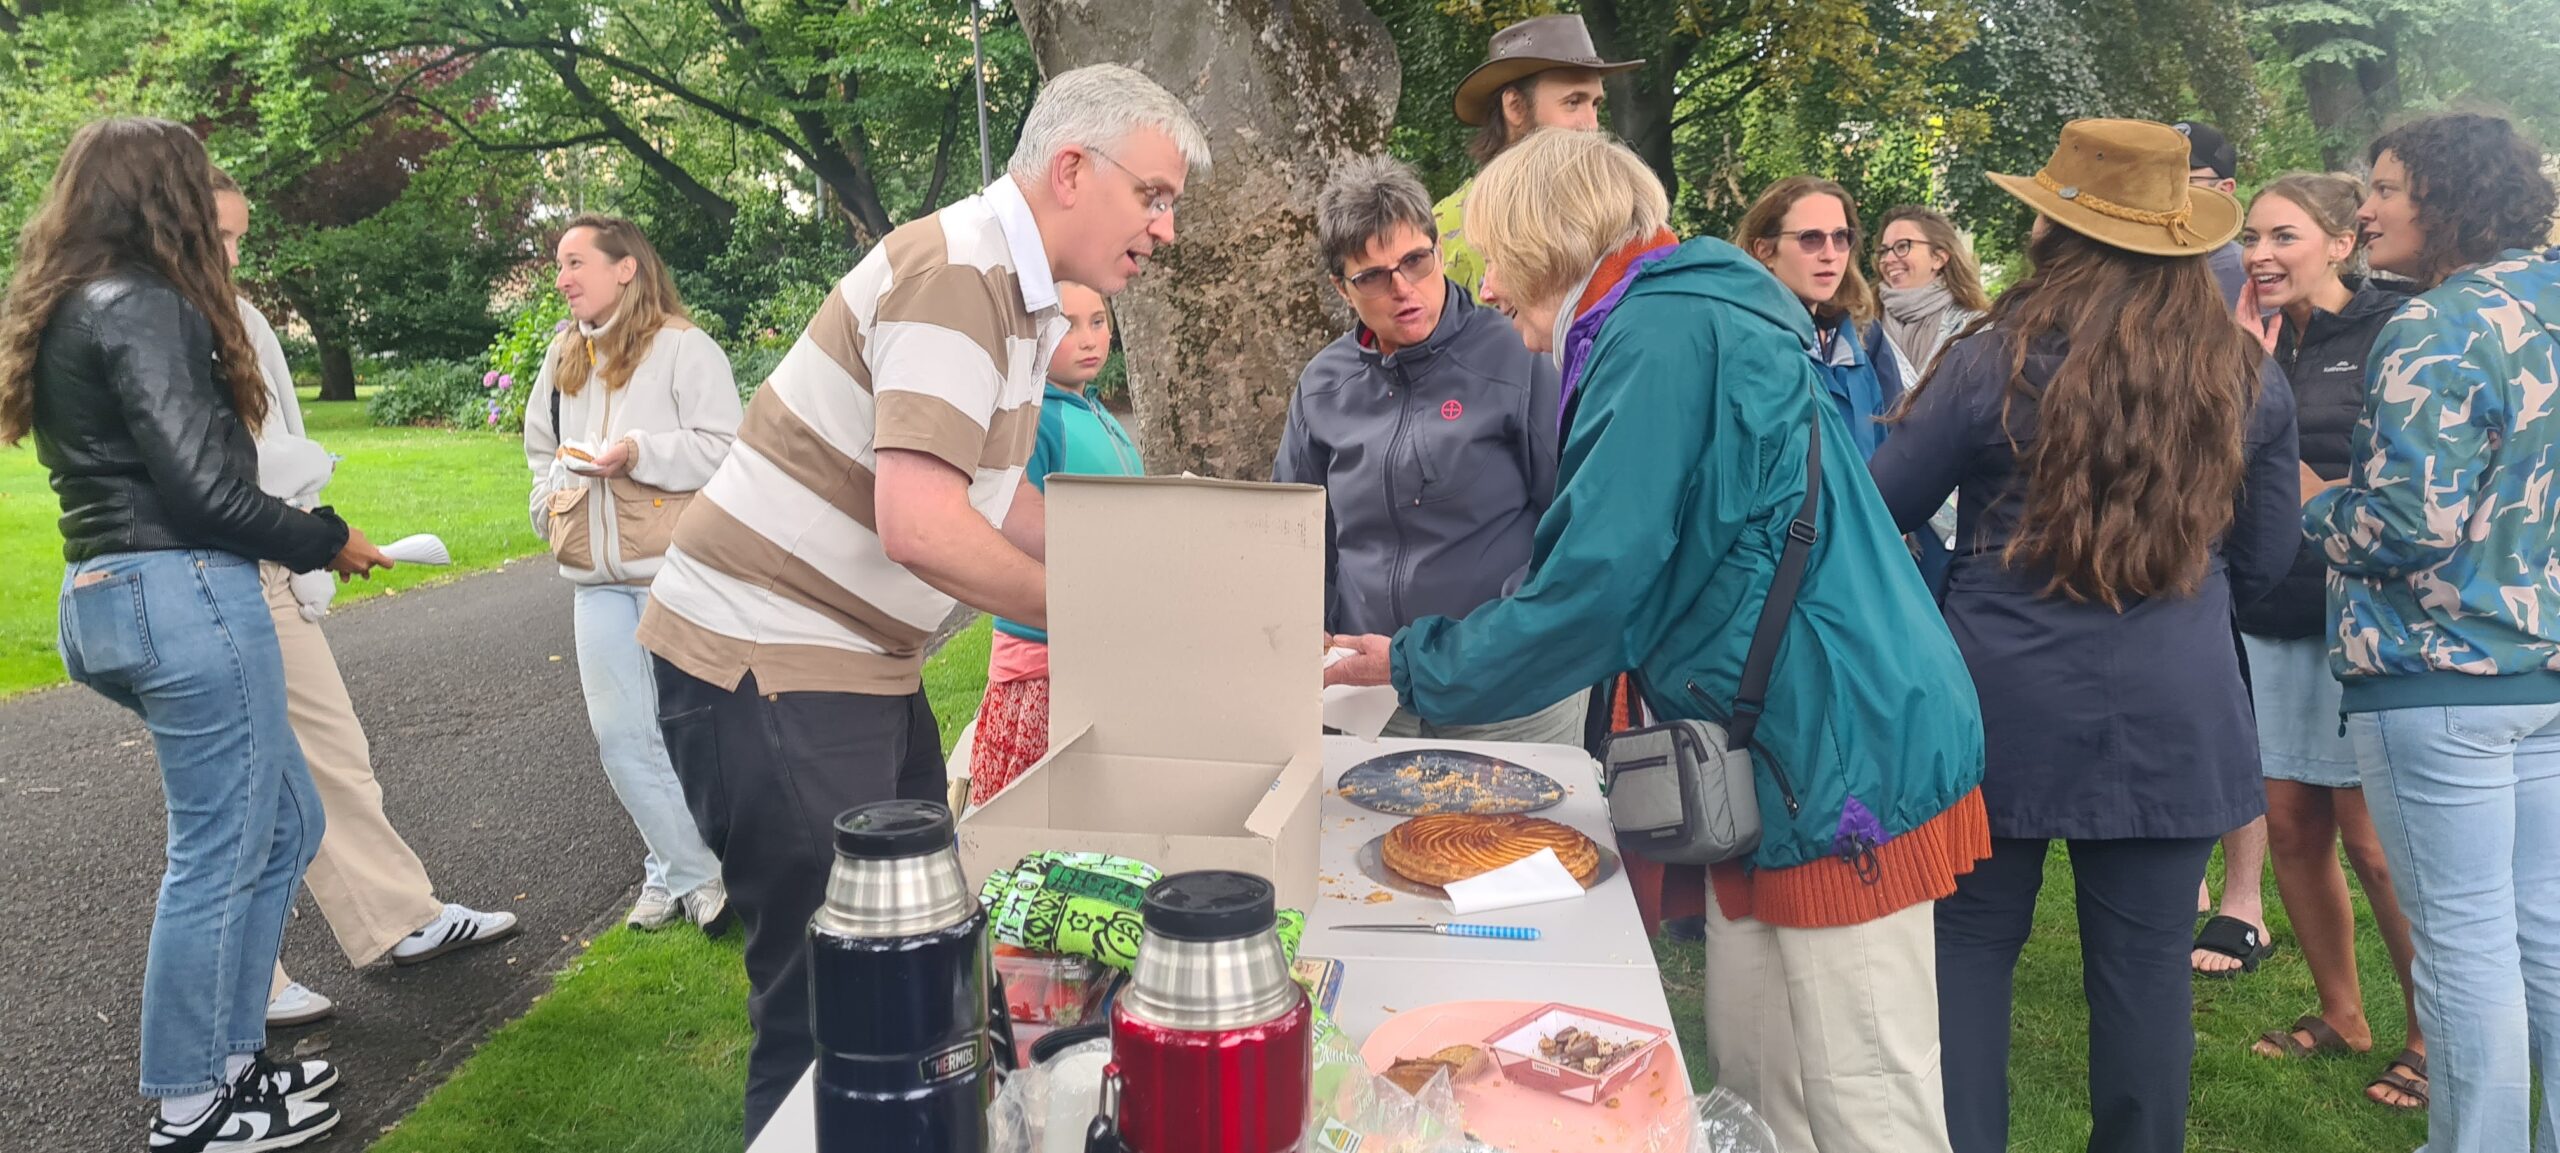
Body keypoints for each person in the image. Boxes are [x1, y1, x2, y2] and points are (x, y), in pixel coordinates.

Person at [1327, 127, 1987, 1153]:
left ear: (1549, 241)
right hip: (1780, 742)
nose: (1486, 287)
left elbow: (1596, 587)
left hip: (1838, 747)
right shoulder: (1669, 317)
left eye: (1494, 256)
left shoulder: (1661, 333)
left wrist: (1411, 662)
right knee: (1762, 1089)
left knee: (1864, 1104)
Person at [636, 63, 1209, 1139]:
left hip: (854, 663)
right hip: (769, 658)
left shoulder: (1016, 292)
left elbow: (1000, 499)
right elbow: (923, 525)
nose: (1164, 229)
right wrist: (1107, 620)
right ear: (1072, 170)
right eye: (1153, 196)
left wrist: (1145, 573)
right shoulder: (959, 275)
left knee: (926, 963)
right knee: (833, 1008)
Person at [1865, 118, 2299, 1153]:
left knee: (1966, 949)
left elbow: (1878, 509)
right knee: (2145, 970)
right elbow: (2266, 561)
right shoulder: (2243, 374)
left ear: (2052, 231)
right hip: (2173, 692)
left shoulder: (1991, 361)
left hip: (2000, 695)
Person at [0, 116, 392, 1152]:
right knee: (219, 848)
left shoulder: (74, 300)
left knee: (285, 823)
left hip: (112, 593)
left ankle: (231, 1063)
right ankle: (192, 1102)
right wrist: (327, 537)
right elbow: (207, 490)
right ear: (163, 195)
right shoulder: (144, 304)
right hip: (183, 594)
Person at [207, 170, 521, 1030]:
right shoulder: (162, 322)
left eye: (238, 237)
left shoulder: (236, 315)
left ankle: (398, 918)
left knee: (331, 755)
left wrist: (316, 534)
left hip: (269, 562)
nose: (232, 256)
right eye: (219, 236)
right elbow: (223, 470)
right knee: (233, 792)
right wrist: (323, 533)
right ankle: (244, 989)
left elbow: (274, 442)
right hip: (213, 576)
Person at [2306, 112, 2560, 1153]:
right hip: (2543, 672)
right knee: (2544, 937)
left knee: (2461, 949)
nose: (2365, 210)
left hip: (2437, 674)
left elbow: (2406, 525)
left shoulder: (2436, 324)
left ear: (2447, 199)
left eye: (2385, 188)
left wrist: (2314, 501)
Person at [2227, 172, 2427, 1107]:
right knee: (2292, 823)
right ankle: (2343, 1013)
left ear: (2341, 242)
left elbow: (2403, 485)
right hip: (2272, 614)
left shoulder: (2395, 329)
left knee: (2373, 841)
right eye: (2251, 238)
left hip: (2367, 620)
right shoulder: (2244, 335)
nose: (2260, 255)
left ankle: (2430, 1032)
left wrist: (2294, 475)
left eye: (2283, 236)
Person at [1275, 154, 1579, 745]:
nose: (1403, 288)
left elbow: (1569, 520)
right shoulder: (1323, 384)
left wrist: (1492, 643)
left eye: (1415, 260)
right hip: (1370, 695)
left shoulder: (1520, 353)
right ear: (1341, 288)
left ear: (1439, 250)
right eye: (1373, 276)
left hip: (1503, 690)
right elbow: (1295, 535)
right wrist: (1306, 627)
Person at [523, 214, 740, 933]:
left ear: (626, 268)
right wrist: (547, 505)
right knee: (621, 737)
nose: (562, 278)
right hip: (594, 581)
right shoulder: (563, 355)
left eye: (576, 262)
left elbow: (725, 447)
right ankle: (693, 875)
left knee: (687, 733)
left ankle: (671, 872)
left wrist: (639, 452)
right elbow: (540, 450)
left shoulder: (684, 347)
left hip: (675, 572)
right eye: (559, 264)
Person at [968, 279, 1143, 806]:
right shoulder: (1034, 420)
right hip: (1042, 663)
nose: (1089, 338)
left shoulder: (1097, 413)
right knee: (1037, 809)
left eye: (1099, 322)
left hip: (1099, 644)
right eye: (1068, 326)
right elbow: (1010, 524)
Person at [1434, 14, 1641, 295]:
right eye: (1573, 102)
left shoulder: (1617, 210)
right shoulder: (1446, 227)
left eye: (1595, 105)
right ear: (1515, 107)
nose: (1592, 125)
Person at [1736, 177, 1904, 460]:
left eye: (1840, 237)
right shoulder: (1739, 343)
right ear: (1764, 251)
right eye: (1810, 238)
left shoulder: (1860, 337)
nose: (1830, 254)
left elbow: (1889, 453)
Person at [1872, 205, 1991, 375]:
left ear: (1938, 258)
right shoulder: (1862, 323)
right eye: (1884, 251)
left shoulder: (1976, 327)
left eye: (1902, 246)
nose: (1888, 259)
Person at [2175, 119, 2251, 308]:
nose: (2168, 188)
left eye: (2185, 180)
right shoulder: (2129, 258)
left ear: (2224, 189)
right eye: (2160, 176)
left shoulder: (2245, 271)